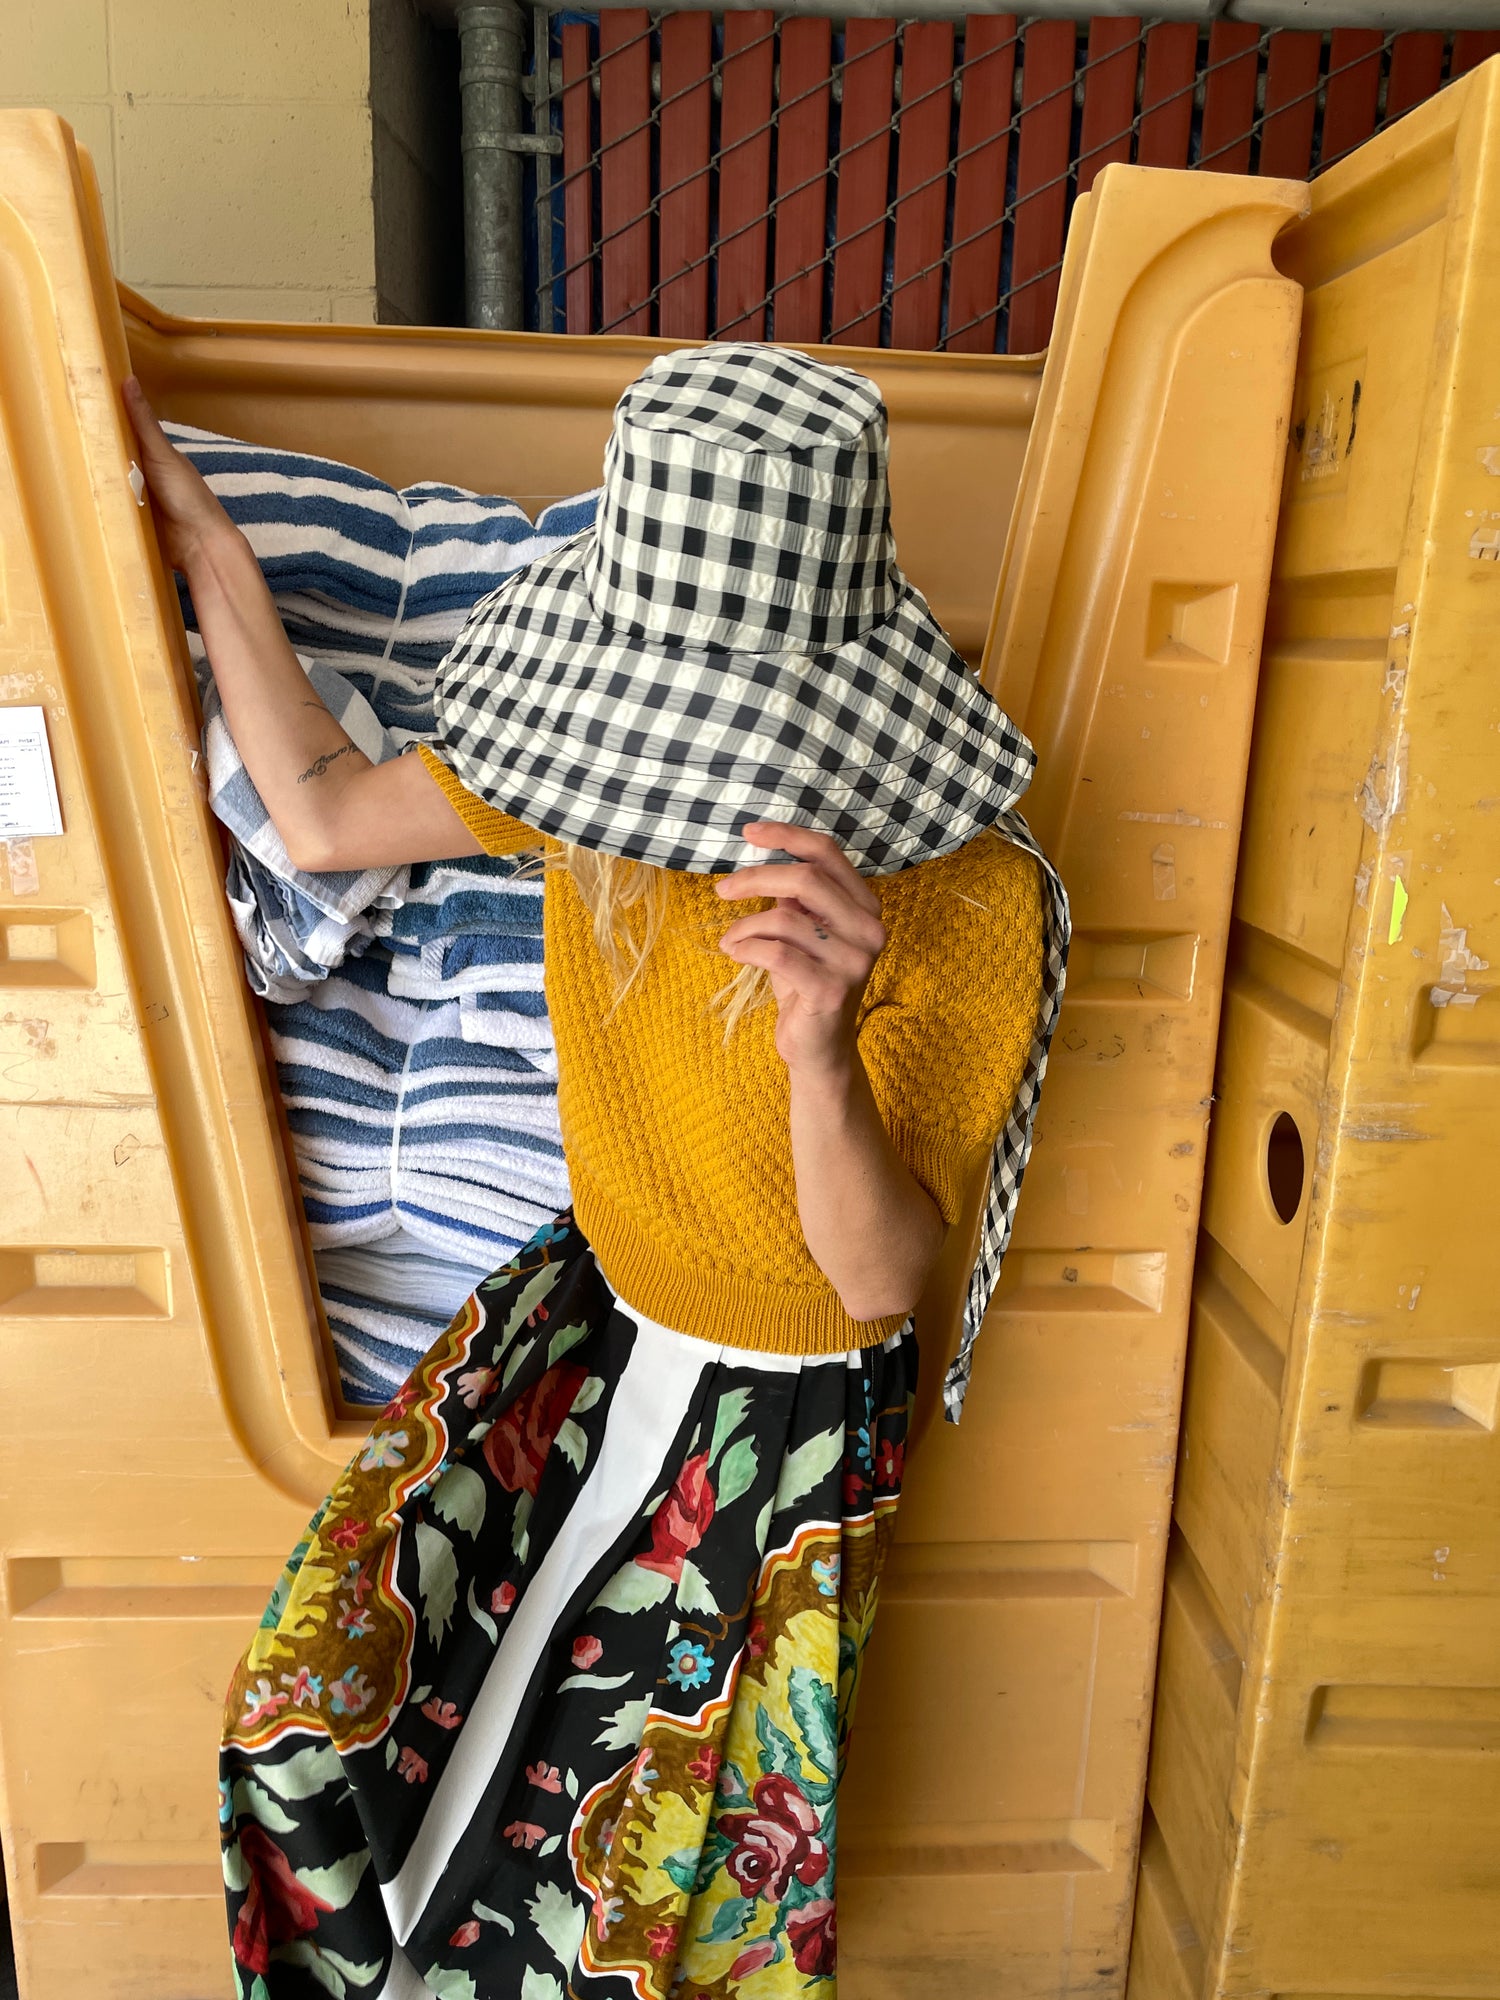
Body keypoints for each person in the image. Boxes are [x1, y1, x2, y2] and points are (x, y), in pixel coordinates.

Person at [126, 343, 1067, 2000]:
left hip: (779, 1415)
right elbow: (328, 817)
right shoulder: (601, 772)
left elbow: (879, 1283)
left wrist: (819, 1045)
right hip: (586, 1311)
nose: (682, 768)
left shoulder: (970, 898)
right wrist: (205, 541)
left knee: (610, 1906)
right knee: (311, 1725)